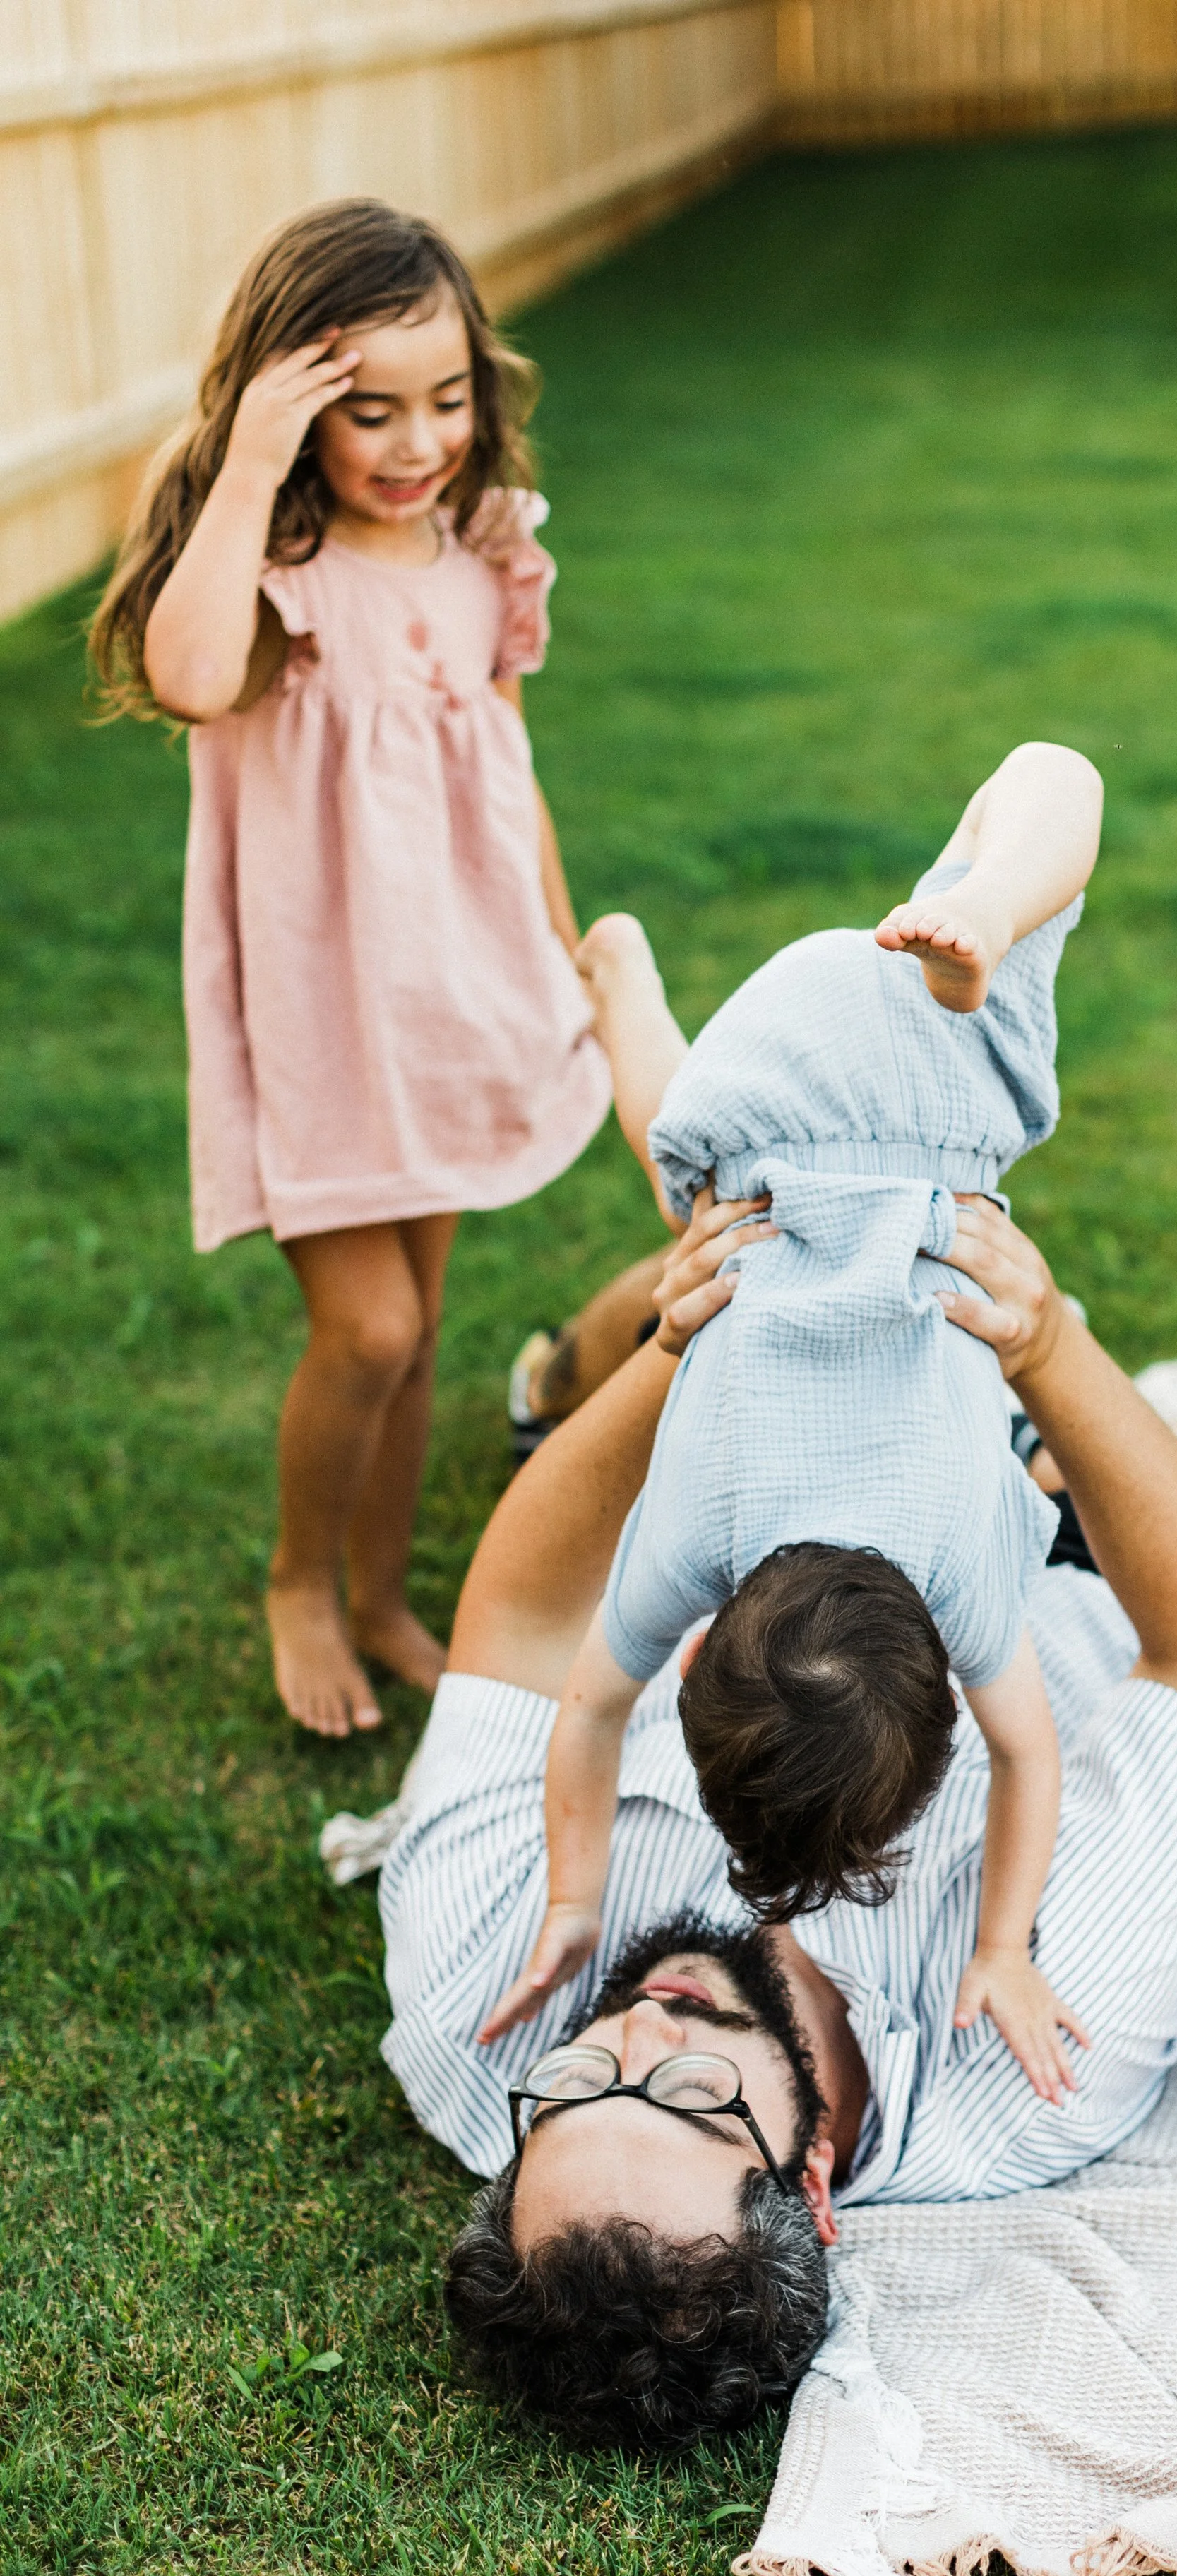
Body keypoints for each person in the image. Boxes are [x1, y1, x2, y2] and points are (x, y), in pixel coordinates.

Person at [374, 1195, 1177, 2450]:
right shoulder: (1028, 2079)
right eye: (692, 2091)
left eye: (576, 2086)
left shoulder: (466, 2003)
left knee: (711, 1287)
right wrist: (1050, 1352)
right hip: (1064, 1608)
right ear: (812, 2183)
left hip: (742, 1550)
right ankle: (1041, 1455)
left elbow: (518, 1621)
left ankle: (566, 1381)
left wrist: (675, 1346)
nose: (642, 2025)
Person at [493, 746, 1105, 2103]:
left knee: (1058, 777)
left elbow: (1030, 1752)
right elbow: (591, 1711)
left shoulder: (957, 1572)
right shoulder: (700, 1535)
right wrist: (569, 1896)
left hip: (928, 1108)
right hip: (764, 1134)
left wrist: (1006, 1942)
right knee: (686, 1186)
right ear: (700, 1642)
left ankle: (993, 907)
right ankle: (629, 992)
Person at [88, 199, 609, 1741]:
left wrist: (561, 944)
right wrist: (247, 464)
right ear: (290, 400)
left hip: (451, 991)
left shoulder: (476, 552)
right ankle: (299, 1580)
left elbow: (507, 766)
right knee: (366, 1328)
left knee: (425, 1326)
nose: (415, 441)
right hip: (319, 1013)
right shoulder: (270, 567)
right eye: (367, 410)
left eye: (444, 401)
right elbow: (185, 680)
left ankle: (385, 1597)